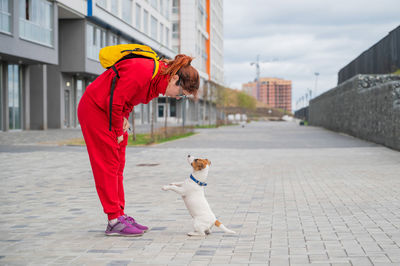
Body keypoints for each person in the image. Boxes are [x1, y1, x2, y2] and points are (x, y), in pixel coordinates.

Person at [78, 54, 199, 236]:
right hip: (96, 109)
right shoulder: (144, 70)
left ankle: (119, 215)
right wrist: (118, 129)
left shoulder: (156, 81)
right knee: (108, 165)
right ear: (175, 79)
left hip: (110, 111)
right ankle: (113, 220)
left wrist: (124, 117)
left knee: (118, 165)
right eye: (181, 94)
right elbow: (116, 99)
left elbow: (128, 99)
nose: (177, 98)